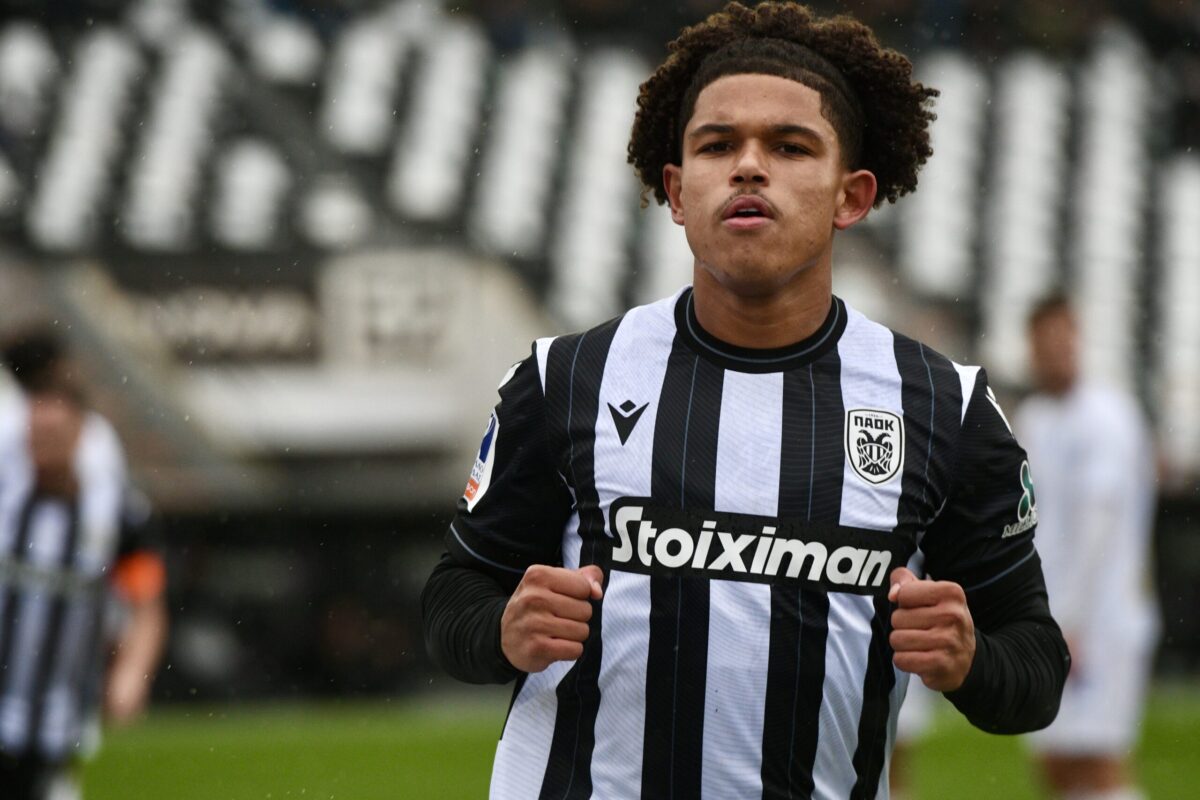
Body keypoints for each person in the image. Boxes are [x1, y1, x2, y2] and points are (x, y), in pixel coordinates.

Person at [422, 3, 1069, 797]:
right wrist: (501, 631)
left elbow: (1036, 667)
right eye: (717, 145)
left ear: (852, 195)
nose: (749, 166)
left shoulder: (943, 407)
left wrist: (971, 663)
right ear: (676, 190)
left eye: (791, 146)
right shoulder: (567, 378)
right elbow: (455, 595)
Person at [0, 327, 168, 800]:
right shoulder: (7, 495)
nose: (44, 443)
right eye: (37, 432)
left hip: (58, 716)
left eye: (57, 432)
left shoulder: (113, 511)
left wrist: (132, 671)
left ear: (80, 433)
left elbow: (146, 600)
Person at [1016, 295, 1159, 800]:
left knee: (1099, 760)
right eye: (1044, 340)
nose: (1055, 350)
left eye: (1063, 337)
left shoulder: (1107, 416)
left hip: (1102, 620)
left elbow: (1099, 527)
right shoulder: (1034, 418)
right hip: (1051, 615)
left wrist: (1071, 617)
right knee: (1054, 761)